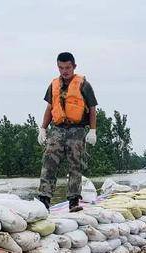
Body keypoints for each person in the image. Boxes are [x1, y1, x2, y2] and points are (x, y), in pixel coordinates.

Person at [37, 52, 98, 212]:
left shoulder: (84, 85)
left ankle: (73, 201)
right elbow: (50, 108)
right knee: (49, 163)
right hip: (57, 129)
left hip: (77, 129)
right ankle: (44, 200)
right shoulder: (54, 85)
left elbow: (92, 109)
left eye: (68, 67)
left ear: (74, 67)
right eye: (61, 67)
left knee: (75, 166)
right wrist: (43, 128)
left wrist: (92, 130)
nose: (64, 71)